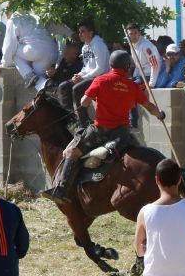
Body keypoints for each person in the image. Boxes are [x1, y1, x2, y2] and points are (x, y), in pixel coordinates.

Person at [42, 50, 165, 204]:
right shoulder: (132, 85)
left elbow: (84, 102)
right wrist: (160, 115)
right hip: (122, 134)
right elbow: (149, 106)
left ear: (111, 65)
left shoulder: (101, 80)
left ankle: (61, 189)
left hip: (100, 131)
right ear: (127, 67)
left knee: (72, 152)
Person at [61, 20, 110, 127]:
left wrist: (83, 78)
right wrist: (79, 75)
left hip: (101, 78)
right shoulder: (84, 47)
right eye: (79, 32)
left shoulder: (98, 45)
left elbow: (100, 69)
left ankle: (84, 122)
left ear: (91, 33)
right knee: (64, 86)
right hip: (89, 77)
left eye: (83, 31)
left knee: (77, 89)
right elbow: (86, 67)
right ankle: (71, 117)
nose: (80, 34)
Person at [0, 12, 59, 89]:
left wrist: (5, 64)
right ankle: (47, 87)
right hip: (53, 51)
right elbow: (57, 27)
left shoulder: (14, 18)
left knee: (14, 52)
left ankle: (29, 75)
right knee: (39, 82)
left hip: (36, 51)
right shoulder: (36, 15)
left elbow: (9, 45)